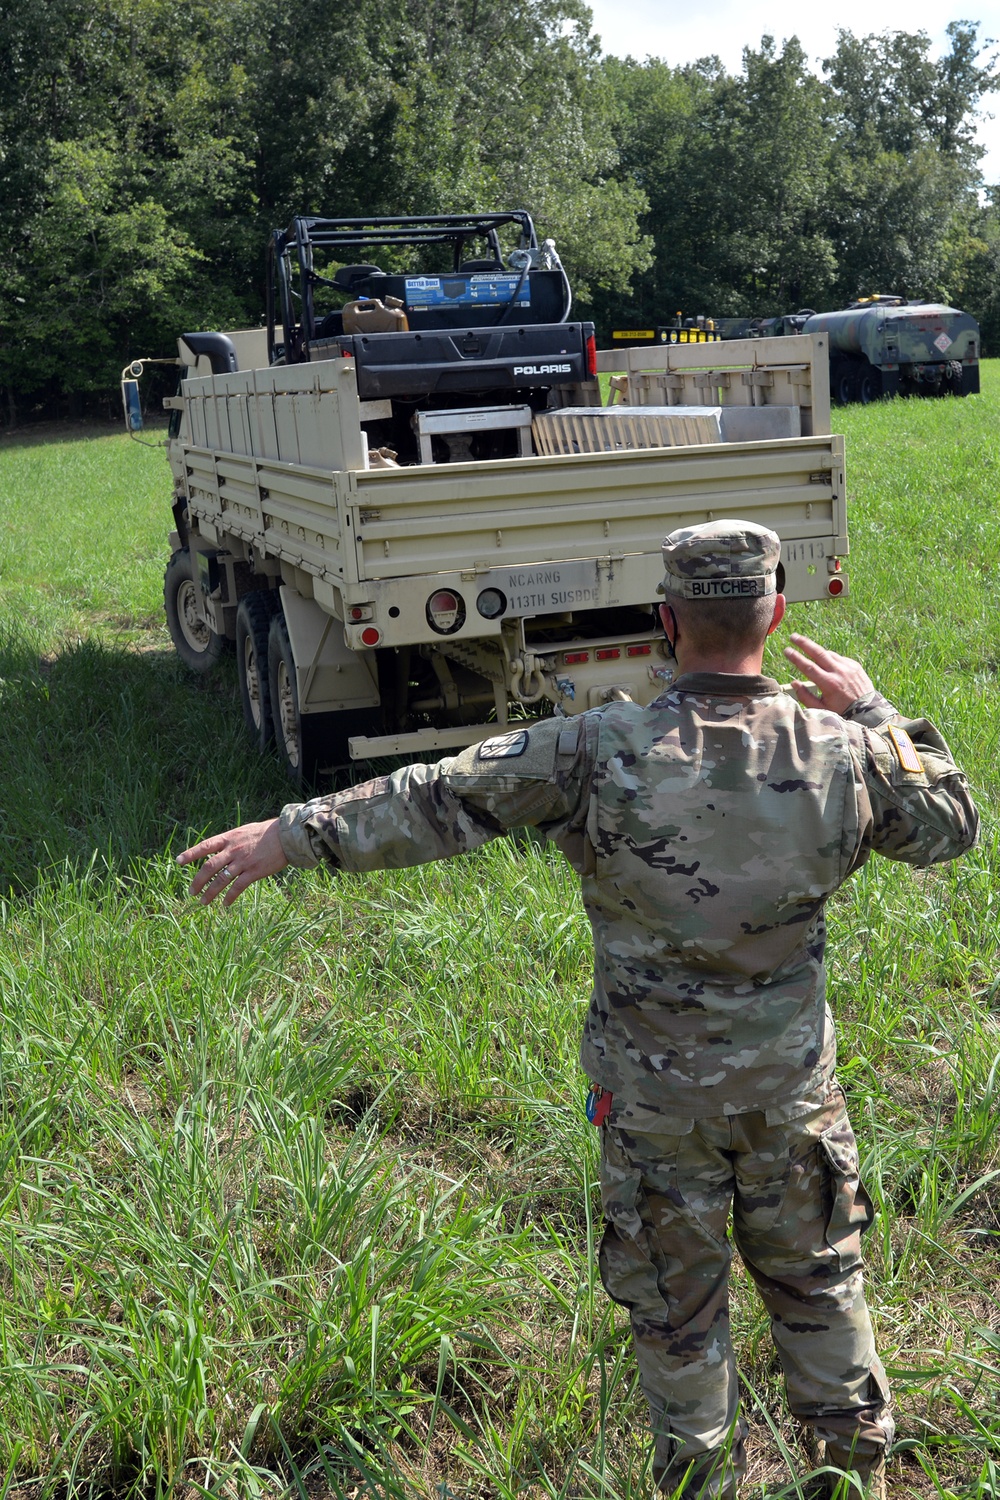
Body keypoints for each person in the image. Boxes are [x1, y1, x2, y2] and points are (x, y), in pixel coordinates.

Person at [178, 521, 978, 1499]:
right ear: (774, 611)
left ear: (665, 620)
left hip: (651, 1114)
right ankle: (853, 1477)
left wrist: (290, 834)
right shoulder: (843, 752)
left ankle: (697, 1480)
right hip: (792, 1106)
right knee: (824, 1303)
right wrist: (870, 703)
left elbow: (436, 798)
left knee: (679, 1333)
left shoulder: (596, 750)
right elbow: (948, 827)